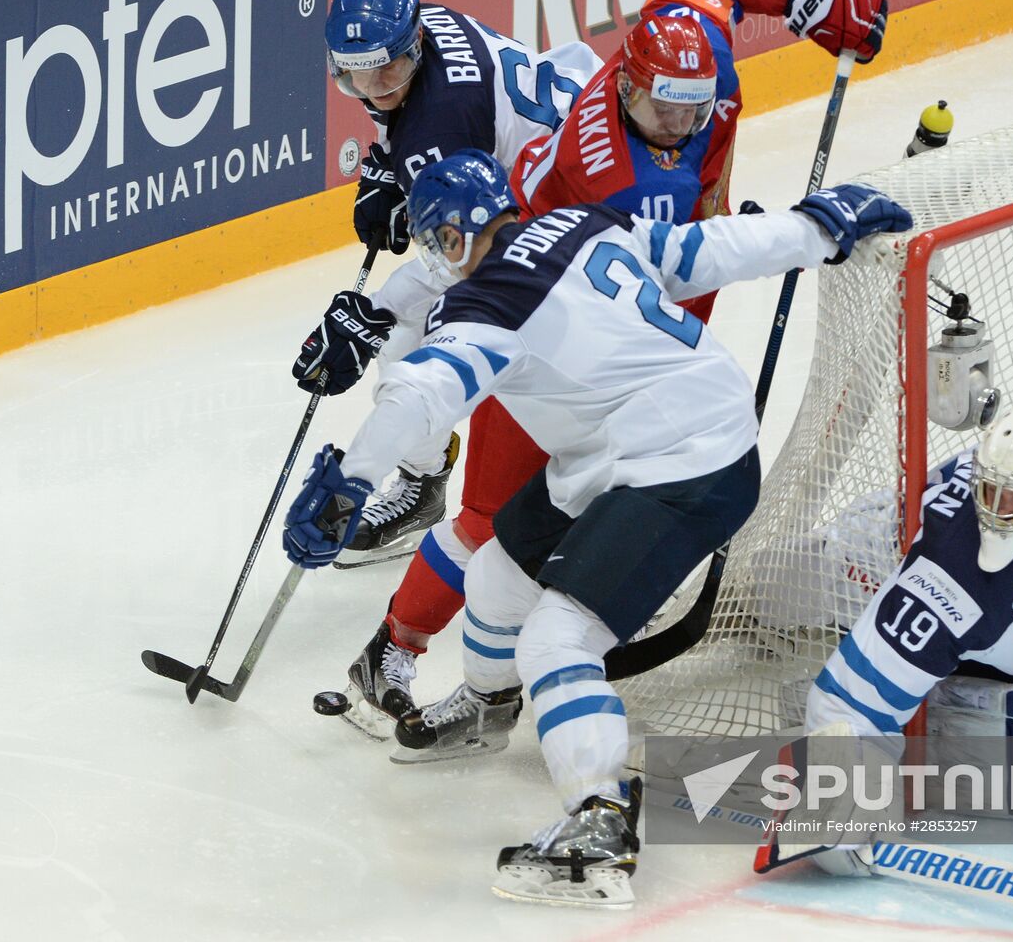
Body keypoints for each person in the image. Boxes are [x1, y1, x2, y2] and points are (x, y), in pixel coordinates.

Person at [280, 150, 912, 908]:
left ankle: (601, 818)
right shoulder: (583, 223)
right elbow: (704, 249)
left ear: (451, 237)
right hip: (624, 449)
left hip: (685, 465)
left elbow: (420, 397)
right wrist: (816, 229)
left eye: (434, 243)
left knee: (558, 638)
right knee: (495, 575)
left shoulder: (487, 304)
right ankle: (488, 707)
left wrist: (350, 482)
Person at [320, 0, 891, 736]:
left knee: (613, 472)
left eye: (695, 108)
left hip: (611, 281)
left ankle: (593, 580)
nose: (680, 126)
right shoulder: (627, 184)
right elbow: (641, 258)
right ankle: (395, 645)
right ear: (626, 86)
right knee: (491, 514)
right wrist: (775, 237)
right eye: (663, 112)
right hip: (552, 303)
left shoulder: (687, 41)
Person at [288, 0, 600, 732]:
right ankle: (425, 481)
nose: (375, 88)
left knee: (420, 353)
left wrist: (370, 314)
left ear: (415, 45)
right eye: (356, 76)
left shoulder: (439, 130)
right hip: (557, 160)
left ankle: (447, 498)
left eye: (388, 71)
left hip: (559, 214)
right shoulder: (418, 25)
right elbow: (429, 135)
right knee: (409, 350)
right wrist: (385, 167)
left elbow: (457, 256)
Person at [755, 401, 1013, 878]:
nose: (998, 511)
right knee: (770, 589)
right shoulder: (948, 588)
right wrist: (830, 817)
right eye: (990, 491)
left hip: (1004, 607)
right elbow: (847, 703)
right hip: (866, 557)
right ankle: (752, 598)